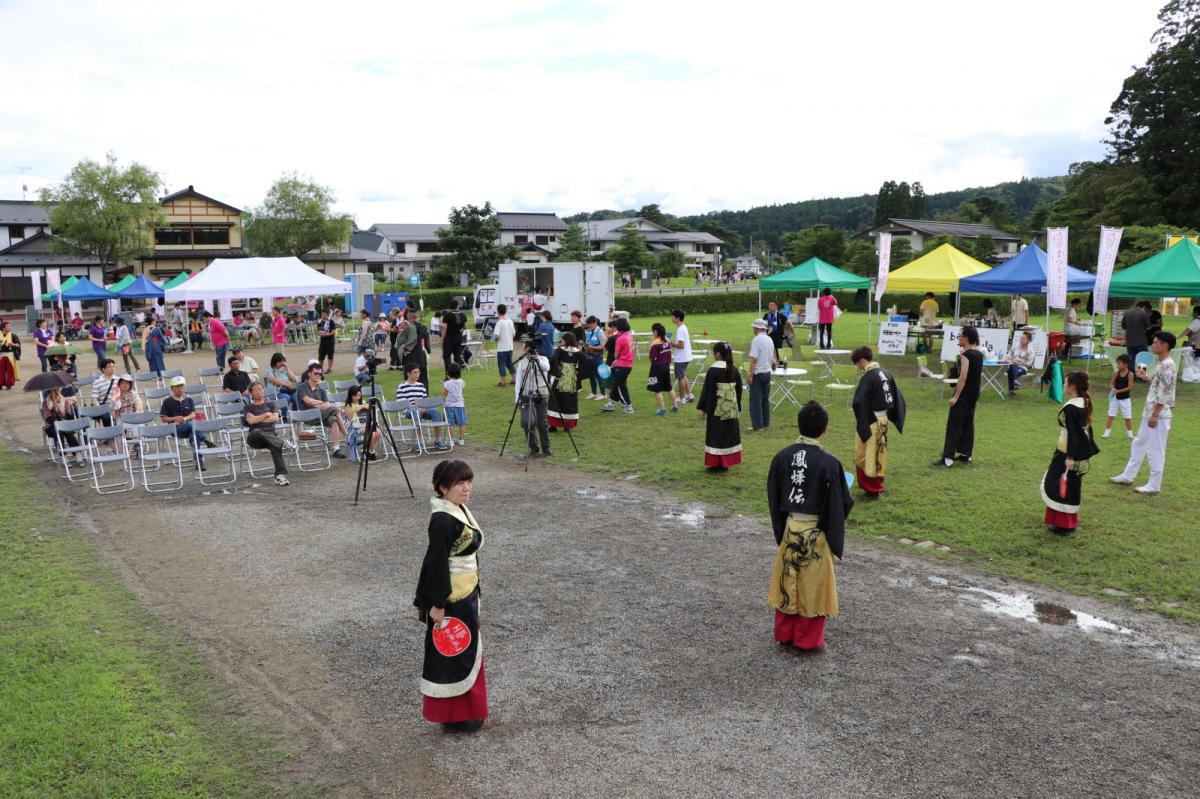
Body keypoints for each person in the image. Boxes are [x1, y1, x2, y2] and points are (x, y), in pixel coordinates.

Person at [766, 401, 854, 652]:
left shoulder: (782, 456)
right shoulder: (830, 462)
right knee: (813, 587)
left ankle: (785, 633)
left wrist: (782, 527)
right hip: (817, 531)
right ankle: (807, 639)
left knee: (787, 579)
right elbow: (841, 502)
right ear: (825, 429)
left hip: (791, 527)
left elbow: (774, 496)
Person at [414, 459, 487, 733]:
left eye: (469, 482)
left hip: (467, 593)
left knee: (467, 652)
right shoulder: (442, 519)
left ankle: (467, 713)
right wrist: (436, 604)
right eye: (460, 483)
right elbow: (435, 563)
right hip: (451, 598)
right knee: (452, 654)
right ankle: (456, 716)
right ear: (443, 487)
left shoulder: (457, 510)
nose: (467, 488)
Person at [1111, 331, 1178, 494]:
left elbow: (1166, 391)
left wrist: (1155, 414)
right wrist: (1146, 377)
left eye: (1156, 343)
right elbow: (1158, 384)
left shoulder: (1168, 364)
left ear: (1165, 345)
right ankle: (1128, 475)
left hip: (1159, 415)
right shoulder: (1162, 364)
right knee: (1139, 442)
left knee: (1156, 449)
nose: (1153, 345)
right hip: (1151, 413)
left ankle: (1154, 485)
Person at [1041, 371, 1101, 535]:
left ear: (1072, 386)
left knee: (1059, 486)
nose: (1063, 385)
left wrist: (1069, 457)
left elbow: (1074, 434)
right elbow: (1084, 432)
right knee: (1070, 486)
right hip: (1075, 453)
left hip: (1067, 452)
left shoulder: (1071, 407)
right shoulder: (1083, 402)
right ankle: (1062, 522)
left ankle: (1063, 525)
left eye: (1065, 382)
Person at [850, 346, 906, 499]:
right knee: (879, 453)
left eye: (857, 364)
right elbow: (897, 397)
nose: (859, 368)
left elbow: (858, 402)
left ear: (862, 361)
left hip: (872, 420)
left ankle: (872, 489)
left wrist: (862, 421)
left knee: (867, 454)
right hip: (883, 419)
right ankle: (876, 486)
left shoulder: (869, 377)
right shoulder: (886, 373)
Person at [935, 325, 983, 467]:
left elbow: (963, 377)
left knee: (954, 424)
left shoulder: (966, 355)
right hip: (974, 394)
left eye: (960, 335)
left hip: (964, 394)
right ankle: (965, 454)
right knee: (968, 424)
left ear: (967, 338)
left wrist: (955, 396)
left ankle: (948, 458)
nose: (959, 338)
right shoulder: (979, 354)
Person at [697, 342, 743, 472]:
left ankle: (717, 464)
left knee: (716, 435)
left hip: (716, 408)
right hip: (731, 408)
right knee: (728, 434)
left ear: (717, 354)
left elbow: (708, 391)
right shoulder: (733, 369)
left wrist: (704, 408)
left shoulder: (713, 370)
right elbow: (739, 389)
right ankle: (726, 463)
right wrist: (737, 405)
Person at [243, 381, 291, 485]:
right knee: (257, 431)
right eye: (256, 391)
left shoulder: (271, 404)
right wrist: (265, 415)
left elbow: (275, 418)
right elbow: (251, 421)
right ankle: (283, 443)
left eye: (261, 390)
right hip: (255, 438)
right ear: (251, 393)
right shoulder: (248, 407)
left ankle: (280, 476)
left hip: (270, 435)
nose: (259, 392)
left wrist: (258, 419)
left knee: (274, 445)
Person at [296, 365, 348, 459]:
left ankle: (336, 449)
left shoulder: (321, 391)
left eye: (320, 374)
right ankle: (347, 435)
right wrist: (320, 403)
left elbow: (326, 404)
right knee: (335, 409)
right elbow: (307, 401)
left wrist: (315, 404)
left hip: (320, 415)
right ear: (309, 374)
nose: (318, 375)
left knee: (334, 419)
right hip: (307, 416)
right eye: (316, 373)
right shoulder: (301, 387)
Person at [396, 363, 450, 452]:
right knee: (416, 412)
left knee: (435, 412)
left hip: (422, 408)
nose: (417, 374)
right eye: (414, 372)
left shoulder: (421, 386)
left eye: (418, 372)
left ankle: (438, 440)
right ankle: (419, 441)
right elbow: (401, 403)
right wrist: (416, 408)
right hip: (409, 410)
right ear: (408, 374)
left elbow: (424, 401)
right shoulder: (402, 386)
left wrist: (424, 407)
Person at [159, 376, 211, 470]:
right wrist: (175, 418)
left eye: (182, 386)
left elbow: (193, 415)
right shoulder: (167, 402)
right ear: (172, 388)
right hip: (175, 428)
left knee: (194, 436)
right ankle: (205, 440)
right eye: (177, 386)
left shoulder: (189, 400)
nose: (180, 388)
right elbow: (164, 419)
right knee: (193, 425)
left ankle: (199, 462)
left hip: (189, 426)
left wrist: (183, 419)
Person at [514, 340, 552, 457]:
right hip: (526, 395)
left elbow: (547, 368)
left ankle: (546, 448)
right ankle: (533, 448)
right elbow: (518, 382)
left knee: (542, 423)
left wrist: (537, 359)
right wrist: (517, 399)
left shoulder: (543, 359)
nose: (524, 350)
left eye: (524, 348)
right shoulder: (522, 363)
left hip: (541, 395)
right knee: (527, 423)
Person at [547, 332, 583, 431]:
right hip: (572, 381)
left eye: (562, 339)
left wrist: (556, 372)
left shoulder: (559, 350)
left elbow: (552, 361)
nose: (561, 341)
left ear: (566, 340)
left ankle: (553, 425)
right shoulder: (578, 352)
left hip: (560, 380)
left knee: (556, 401)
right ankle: (567, 425)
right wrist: (578, 376)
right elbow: (584, 364)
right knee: (569, 402)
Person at [600, 317, 634, 414]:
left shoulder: (620, 339)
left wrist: (617, 359)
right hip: (628, 364)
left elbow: (616, 354)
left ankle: (628, 406)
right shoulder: (629, 335)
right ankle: (612, 402)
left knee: (620, 385)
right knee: (616, 383)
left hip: (623, 365)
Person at [747, 318, 775, 431]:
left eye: (754, 327)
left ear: (757, 328)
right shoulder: (769, 339)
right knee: (765, 399)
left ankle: (757, 425)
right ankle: (766, 423)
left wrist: (750, 374)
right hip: (767, 372)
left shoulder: (756, 340)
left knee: (755, 400)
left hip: (758, 373)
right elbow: (773, 357)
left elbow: (754, 359)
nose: (753, 329)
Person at [42, 388, 83, 464]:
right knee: (59, 432)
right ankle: (63, 456)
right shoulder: (45, 403)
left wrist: (62, 412)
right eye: (53, 392)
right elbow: (48, 418)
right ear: (50, 393)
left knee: (68, 432)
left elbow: (70, 417)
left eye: (57, 391)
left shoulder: (65, 401)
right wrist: (54, 410)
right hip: (51, 426)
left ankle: (78, 454)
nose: (55, 393)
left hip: (65, 424)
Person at [342, 383, 380, 461]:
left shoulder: (361, 401)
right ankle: (371, 452)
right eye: (355, 395)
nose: (357, 397)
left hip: (365, 423)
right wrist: (355, 409)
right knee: (371, 434)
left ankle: (365, 449)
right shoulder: (347, 405)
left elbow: (370, 406)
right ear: (350, 395)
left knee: (378, 432)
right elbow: (350, 417)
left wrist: (363, 406)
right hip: (354, 426)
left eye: (359, 395)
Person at [646, 323, 677, 416]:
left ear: (656, 331)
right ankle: (675, 406)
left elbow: (652, 358)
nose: (652, 333)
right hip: (666, 366)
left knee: (656, 389)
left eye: (653, 331)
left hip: (657, 368)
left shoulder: (655, 344)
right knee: (669, 387)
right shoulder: (667, 340)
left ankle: (662, 409)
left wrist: (650, 351)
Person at [1103, 354, 1135, 439]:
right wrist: (1113, 389)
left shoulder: (1130, 374)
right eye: (1117, 363)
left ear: (1126, 364)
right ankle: (1106, 433)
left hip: (1125, 399)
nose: (1117, 365)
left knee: (1127, 417)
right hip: (1114, 399)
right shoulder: (1116, 373)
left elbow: (1130, 387)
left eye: (1119, 363)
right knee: (1111, 415)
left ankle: (1130, 434)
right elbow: (1111, 383)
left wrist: (1118, 391)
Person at [670, 310, 694, 404]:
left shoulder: (680, 329)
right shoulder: (683, 327)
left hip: (681, 358)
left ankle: (682, 398)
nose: (671, 318)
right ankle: (689, 395)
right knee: (683, 376)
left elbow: (681, 345)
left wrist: (671, 343)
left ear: (678, 318)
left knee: (680, 378)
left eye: (673, 316)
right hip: (685, 357)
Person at [442, 362, 468, 446]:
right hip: (460, 405)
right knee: (461, 423)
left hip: (449, 406)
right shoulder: (461, 382)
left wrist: (445, 384)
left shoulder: (447, 383)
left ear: (448, 373)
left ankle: (452, 440)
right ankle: (462, 440)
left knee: (451, 423)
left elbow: (445, 394)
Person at [582, 315, 607, 400]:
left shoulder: (600, 332)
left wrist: (592, 347)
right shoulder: (589, 332)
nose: (589, 326)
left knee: (599, 375)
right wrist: (585, 346)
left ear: (595, 323)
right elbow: (588, 343)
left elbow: (604, 346)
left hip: (597, 356)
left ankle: (603, 394)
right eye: (588, 324)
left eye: (591, 324)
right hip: (589, 356)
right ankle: (594, 393)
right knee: (591, 375)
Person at [1005, 330, 1035, 397]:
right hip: (1013, 365)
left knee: (1011, 370)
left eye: (1023, 338)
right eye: (1021, 338)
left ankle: (1011, 391)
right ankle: (1014, 383)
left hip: (1022, 368)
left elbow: (1030, 364)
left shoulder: (1030, 351)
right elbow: (1008, 356)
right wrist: (1011, 360)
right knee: (1011, 367)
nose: (1021, 340)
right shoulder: (1015, 347)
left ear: (1028, 340)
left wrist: (1023, 363)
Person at [1122, 300, 1151, 369]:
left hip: (1129, 340)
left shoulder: (1127, 313)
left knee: (1131, 359)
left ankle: (1131, 375)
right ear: (1144, 307)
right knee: (1143, 359)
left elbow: (1123, 326)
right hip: (1141, 340)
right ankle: (1141, 376)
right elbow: (1149, 326)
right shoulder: (1143, 314)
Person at [493, 304, 516, 388]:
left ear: (498, 312)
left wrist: (495, 340)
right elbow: (514, 334)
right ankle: (514, 379)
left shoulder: (499, 322)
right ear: (506, 311)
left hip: (502, 348)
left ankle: (503, 382)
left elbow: (497, 336)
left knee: (501, 365)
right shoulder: (510, 321)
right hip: (510, 347)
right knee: (510, 363)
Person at [441, 301, 466, 371]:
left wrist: (442, 338)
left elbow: (444, 328)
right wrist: (460, 329)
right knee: (457, 357)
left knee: (447, 357)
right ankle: (457, 374)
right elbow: (465, 327)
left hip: (449, 338)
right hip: (458, 338)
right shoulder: (463, 315)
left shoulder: (447, 315)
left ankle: (448, 375)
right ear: (457, 306)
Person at [1180, 305, 1200, 383]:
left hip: (1197, 345)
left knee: (1193, 363)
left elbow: (1186, 332)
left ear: (1196, 312)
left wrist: (1175, 338)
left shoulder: (1196, 321)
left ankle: (1193, 377)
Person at [316, 309, 337, 375]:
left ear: (327, 315)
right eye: (322, 314)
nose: (323, 315)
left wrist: (329, 334)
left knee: (330, 356)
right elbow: (318, 331)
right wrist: (319, 334)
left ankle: (329, 369)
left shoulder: (331, 321)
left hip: (330, 341)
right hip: (323, 341)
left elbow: (334, 330)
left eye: (324, 314)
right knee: (321, 356)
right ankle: (320, 369)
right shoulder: (319, 322)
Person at [0, 321, 19, 389]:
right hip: (1, 355)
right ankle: (0, 384)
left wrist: (13, 344)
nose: (9, 328)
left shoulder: (13, 335)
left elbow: (18, 344)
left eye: (10, 326)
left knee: (10, 371)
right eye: (8, 326)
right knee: (1, 371)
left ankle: (9, 384)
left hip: (10, 355)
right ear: (3, 328)